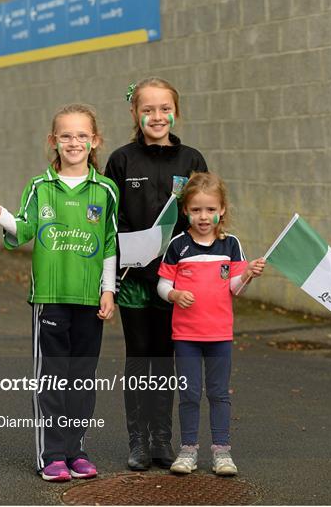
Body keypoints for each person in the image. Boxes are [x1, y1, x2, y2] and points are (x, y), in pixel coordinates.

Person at [0, 104, 119, 482]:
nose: (74, 142)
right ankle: (50, 456)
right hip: (50, 299)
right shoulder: (39, 186)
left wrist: (109, 290)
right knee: (52, 380)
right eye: (65, 135)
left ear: (95, 141)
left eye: (82, 135)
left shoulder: (106, 190)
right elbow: (24, 229)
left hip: (89, 301)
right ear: (53, 141)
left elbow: (110, 244)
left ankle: (76, 450)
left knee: (82, 381)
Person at [104, 77, 208, 470]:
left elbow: (204, 213)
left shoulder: (192, 160)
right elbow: (110, 221)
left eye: (164, 108)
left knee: (166, 358)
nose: (157, 116)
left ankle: (162, 437)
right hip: (134, 281)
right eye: (148, 109)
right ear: (135, 113)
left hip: (176, 281)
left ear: (175, 112)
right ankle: (137, 440)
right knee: (140, 356)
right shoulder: (122, 159)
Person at [157, 172, 265, 476]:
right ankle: (188, 449)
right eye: (196, 210)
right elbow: (162, 285)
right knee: (189, 393)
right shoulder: (178, 245)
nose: (203, 217)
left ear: (222, 211)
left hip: (219, 334)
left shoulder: (231, 245)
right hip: (186, 335)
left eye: (210, 209)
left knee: (218, 393)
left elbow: (235, 289)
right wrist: (175, 293)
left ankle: (222, 452)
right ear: (186, 211)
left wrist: (247, 275)